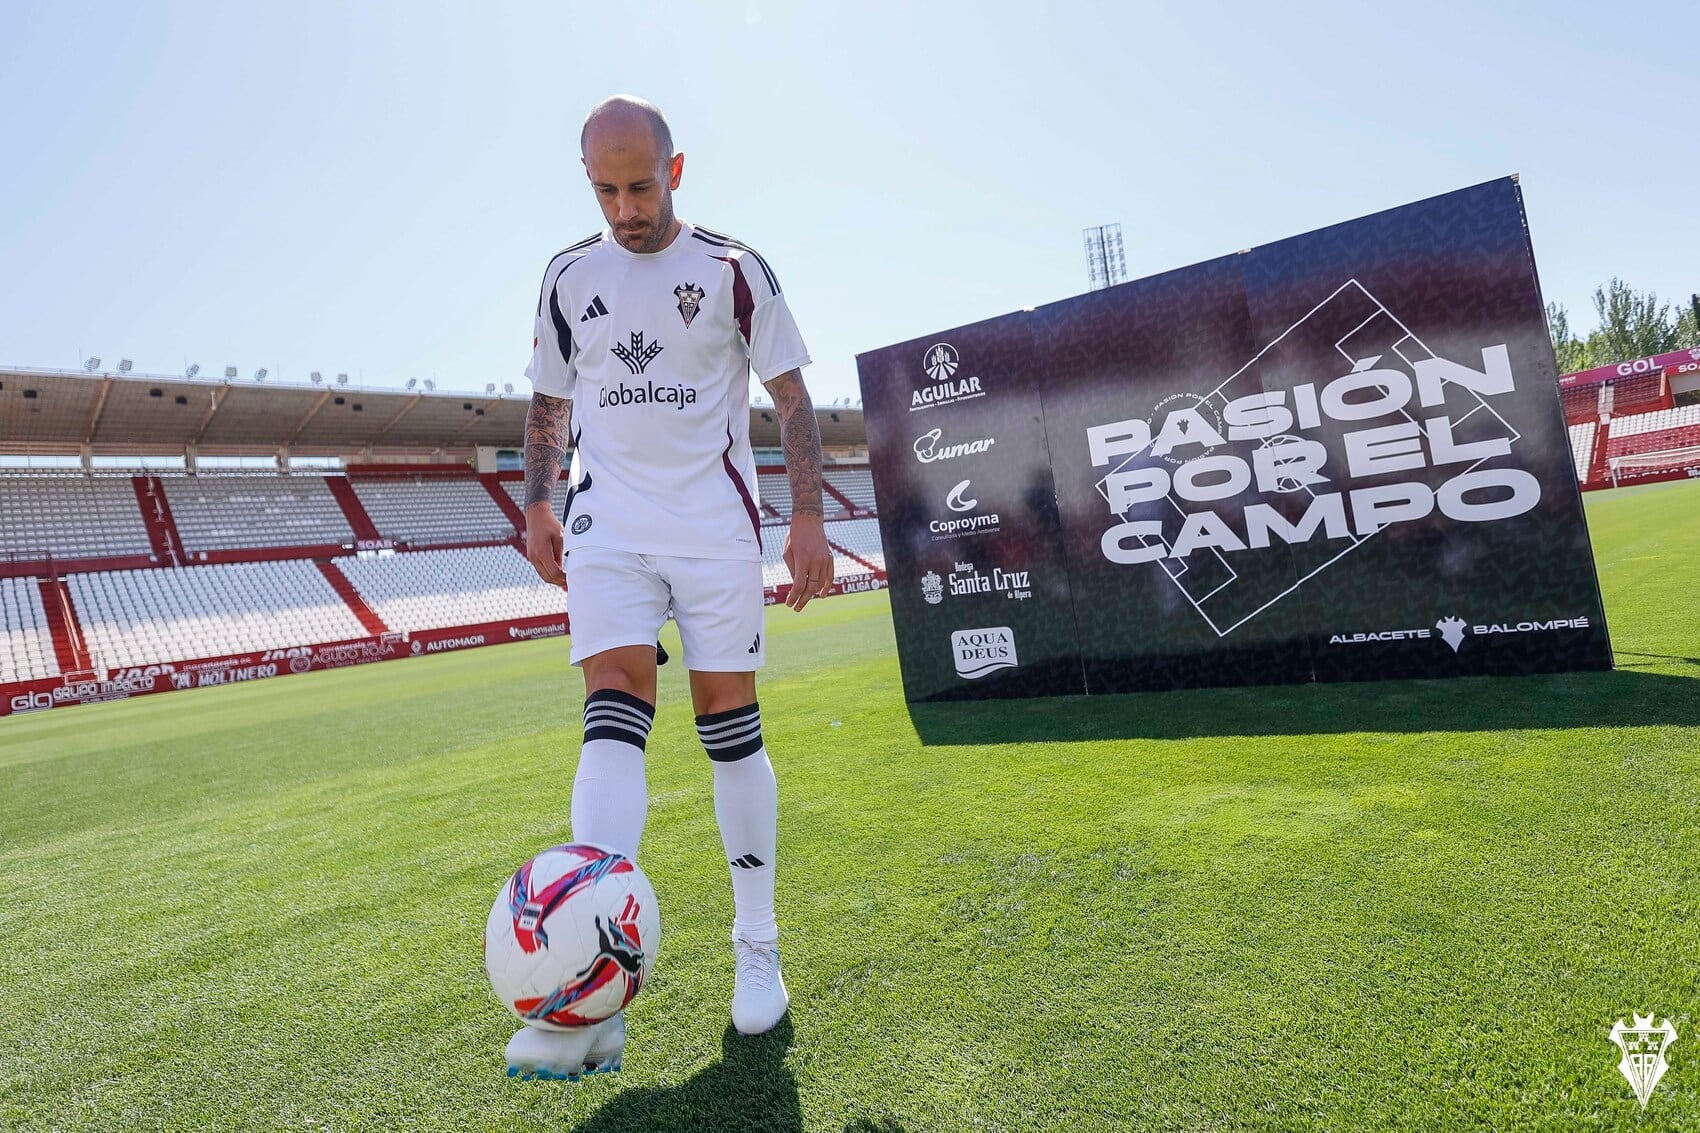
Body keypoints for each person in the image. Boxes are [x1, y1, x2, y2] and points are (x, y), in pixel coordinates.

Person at [510, 93, 835, 1080]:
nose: (624, 207)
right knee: (610, 711)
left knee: (726, 721)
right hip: (608, 526)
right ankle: (585, 989)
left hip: (713, 527)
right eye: (604, 189)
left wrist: (808, 516)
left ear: (676, 170)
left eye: (639, 185)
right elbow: (546, 404)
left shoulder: (734, 270)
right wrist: (536, 505)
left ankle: (756, 945)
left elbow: (790, 397)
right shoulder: (569, 276)